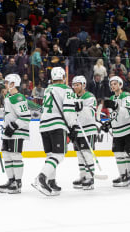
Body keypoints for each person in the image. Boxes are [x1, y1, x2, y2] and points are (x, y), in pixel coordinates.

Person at [32, 67, 77, 196]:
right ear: (64, 77)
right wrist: (72, 126)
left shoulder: (48, 90)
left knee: (50, 155)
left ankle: (51, 182)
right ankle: (42, 177)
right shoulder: (67, 90)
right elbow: (68, 110)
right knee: (58, 155)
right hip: (57, 125)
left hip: (44, 125)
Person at [0, 74, 30, 194]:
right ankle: (11, 180)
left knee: (15, 156)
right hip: (8, 132)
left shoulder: (18, 97)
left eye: (7, 82)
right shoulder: (8, 97)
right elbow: (9, 113)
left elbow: (26, 117)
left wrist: (13, 126)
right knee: (6, 155)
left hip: (16, 132)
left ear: (13, 84)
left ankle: (18, 182)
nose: (5, 85)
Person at [101, 76, 130, 187]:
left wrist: (116, 106)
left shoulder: (127, 96)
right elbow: (114, 116)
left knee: (129, 154)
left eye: (115, 83)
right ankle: (123, 175)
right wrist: (109, 124)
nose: (113, 86)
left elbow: (128, 112)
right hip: (117, 131)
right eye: (111, 84)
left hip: (128, 130)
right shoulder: (112, 98)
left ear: (120, 85)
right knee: (118, 154)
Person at [71, 76, 97, 190]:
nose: (75, 87)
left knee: (87, 153)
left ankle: (90, 178)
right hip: (77, 129)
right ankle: (83, 176)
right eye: (74, 85)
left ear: (83, 85)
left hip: (88, 129)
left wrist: (80, 108)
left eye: (78, 84)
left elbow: (91, 113)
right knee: (80, 155)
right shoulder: (72, 98)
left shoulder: (90, 97)